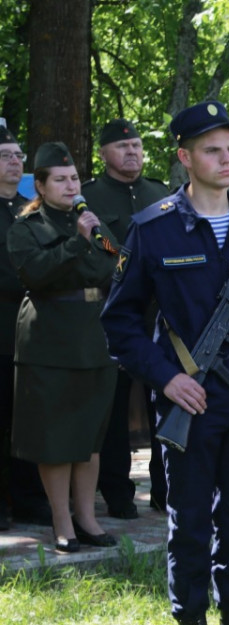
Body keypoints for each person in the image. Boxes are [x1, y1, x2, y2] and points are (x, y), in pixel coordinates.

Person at [101, 100, 229, 625]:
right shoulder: (153, 227)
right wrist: (166, 378)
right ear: (184, 158)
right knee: (188, 528)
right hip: (187, 400)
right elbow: (121, 322)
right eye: (212, 149)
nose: (227, 159)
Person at [7, 142, 119, 553]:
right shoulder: (26, 227)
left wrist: (87, 243)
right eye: (60, 179)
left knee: (89, 436)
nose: (70, 185)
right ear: (40, 184)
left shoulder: (93, 221)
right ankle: (61, 521)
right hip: (50, 339)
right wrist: (76, 244)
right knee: (55, 435)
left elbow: (115, 261)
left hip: (94, 336)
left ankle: (87, 518)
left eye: (74, 178)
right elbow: (37, 273)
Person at [82, 118, 172, 519]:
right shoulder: (90, 196)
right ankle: (118, 493)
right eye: (122, 147)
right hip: (114, 312)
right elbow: (101, 246)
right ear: (104, 154)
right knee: (114, 408)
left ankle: (164, 488)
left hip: (160, 314)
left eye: (136, 145)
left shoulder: (162, 193)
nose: (131, 152)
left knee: (165, 401)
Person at [0, 126, 51, 530]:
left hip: (33, 329)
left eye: (18, 155)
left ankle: (30, 499)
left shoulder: (33, 210)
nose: (15, 162)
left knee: (29, 418)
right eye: (6, 156)